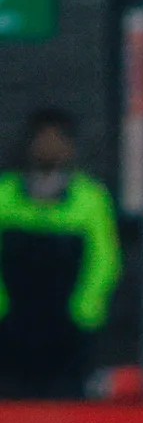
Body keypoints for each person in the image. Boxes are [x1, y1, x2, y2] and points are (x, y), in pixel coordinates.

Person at [0, 108, 122, 398]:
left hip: (69, 325)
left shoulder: (90, 198)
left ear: (70, 148)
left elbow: (104, 259)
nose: (49, 147)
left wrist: (84, 310)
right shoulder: (5, 195)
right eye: (42, 140)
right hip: (13, 322)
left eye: (56, 140)